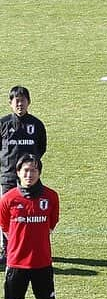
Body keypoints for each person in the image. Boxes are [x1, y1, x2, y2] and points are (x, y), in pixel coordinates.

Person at [0, 155, 60, 299]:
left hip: (42, 262)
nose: (29, 174)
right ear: (18, 172)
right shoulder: (9, 198)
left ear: (39, 173)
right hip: (16, 264)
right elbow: (5, 227)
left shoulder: (51, 197)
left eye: (33, 170)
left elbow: (51, 224)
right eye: (25, 170)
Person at [0, 86, 48, 267]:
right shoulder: (3, 124)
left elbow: (41, 147)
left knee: (30, 213)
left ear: (29, 102)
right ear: (10, 103)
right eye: (16, 101)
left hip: (30, 179)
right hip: (8, 178)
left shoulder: (36, 124)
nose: (20, 104)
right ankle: (7, 249)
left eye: (23, 100)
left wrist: (30, 169)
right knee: (7, 216)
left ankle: (30, 248)